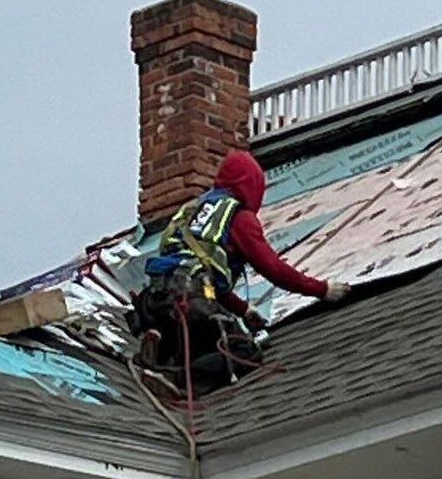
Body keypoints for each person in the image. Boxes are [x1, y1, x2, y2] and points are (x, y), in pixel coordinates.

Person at [131, 150, 349, 386]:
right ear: (251, 186)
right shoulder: (238, 217)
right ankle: (171, 379)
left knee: (196, 344)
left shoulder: (193, 210)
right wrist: (322, 290)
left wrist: (243, 309)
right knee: (243, 352)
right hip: (190, 304)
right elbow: (273, 268)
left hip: (154, 301)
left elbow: (202, 273)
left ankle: (159, 350)